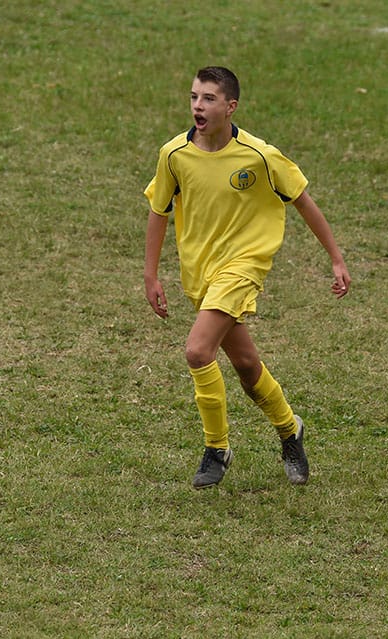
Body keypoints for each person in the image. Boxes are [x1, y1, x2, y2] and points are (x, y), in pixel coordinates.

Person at [143, 66, 351, 489]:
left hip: (243, 266)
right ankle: (290, 429)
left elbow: (302, 200)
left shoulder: (259, 156)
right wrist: (150, 275)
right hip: (200, 272)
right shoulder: (174, 154)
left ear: (230, 106)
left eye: (209, 99)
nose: (198, 106)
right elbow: (158, 210)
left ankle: (216, 448)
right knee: (245, 364)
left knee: (198, 351)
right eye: (194, 97)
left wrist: (336, 258)